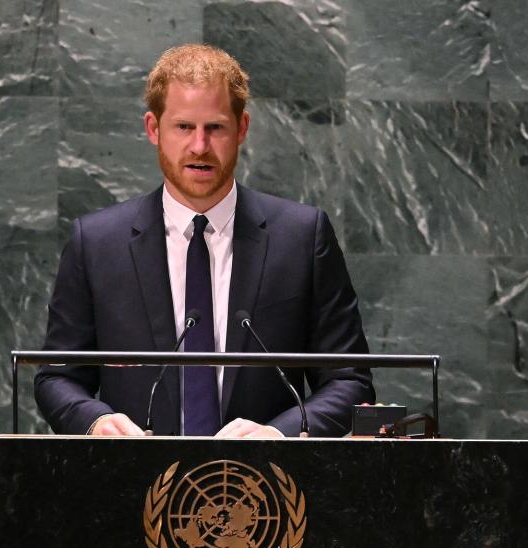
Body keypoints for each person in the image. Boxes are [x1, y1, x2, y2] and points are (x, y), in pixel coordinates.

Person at [34, 44, 374, 437]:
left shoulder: (301, 237)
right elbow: (57, 378)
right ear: (153, 129)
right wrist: (94, 421)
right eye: (183, 127)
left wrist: (278, 435)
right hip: (130, 483)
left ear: (241, 128)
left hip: (266, 486)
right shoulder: (95, 243)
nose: (199, 146)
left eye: (215, 127)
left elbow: (350, 381)